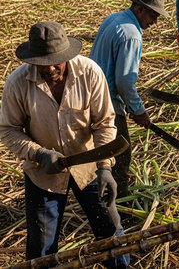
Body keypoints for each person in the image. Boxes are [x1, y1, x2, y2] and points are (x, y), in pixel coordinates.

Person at [0, 21, 128, 267]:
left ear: (67, 54)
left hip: (90, 166)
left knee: (111, 233)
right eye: (42, 63)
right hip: (43, 174)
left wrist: (105, 167)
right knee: (42, 248)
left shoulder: (90, 73)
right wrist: (38, 153)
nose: (49, 69)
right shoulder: (17, 83)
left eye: (55, 62)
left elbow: (105, 123)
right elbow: (9, 131)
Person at [89, 0, 169, 198]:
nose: (155, 22)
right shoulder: (132, 35)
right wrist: (138, 110)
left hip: (90, 93)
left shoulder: (113, 19)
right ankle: (118, 203)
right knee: (120, 155)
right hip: (108, 102)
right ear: (139, 8)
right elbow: (124, 81)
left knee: (97, 150)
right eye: (153, 15)